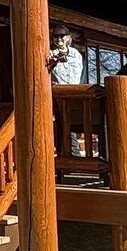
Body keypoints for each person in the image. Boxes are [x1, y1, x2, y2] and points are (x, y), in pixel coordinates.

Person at [47, 23, 85, 156]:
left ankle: (73, 156)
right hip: (59, 96)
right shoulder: (50, 54)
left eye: (62, 35)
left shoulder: (76, 55)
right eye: (55, 36)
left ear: (68, 38)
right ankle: (71, 156)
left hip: (74, 96)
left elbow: (81, 75)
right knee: (63, 126)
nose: (59, 39)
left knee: (73, 125)